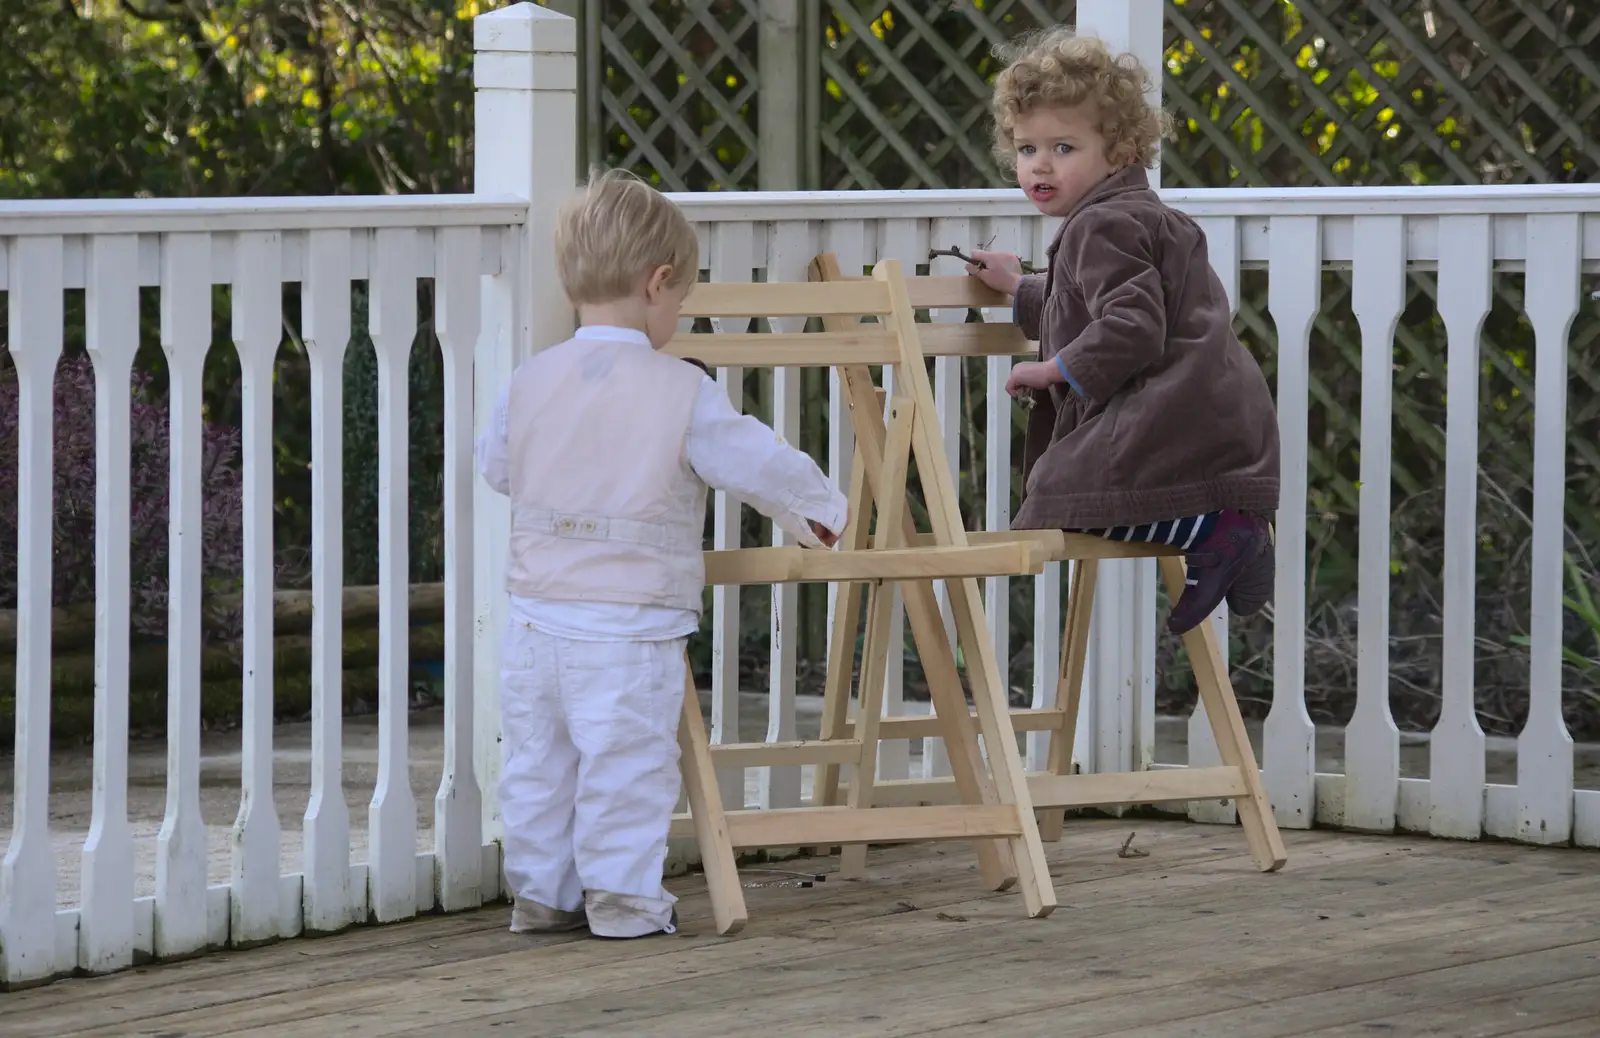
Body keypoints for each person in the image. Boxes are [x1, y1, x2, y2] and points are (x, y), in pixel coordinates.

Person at [476, 168, 848, 939]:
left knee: (539, 764)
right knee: (627, 765)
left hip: (535, 620)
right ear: (658, 282)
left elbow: (496, 466)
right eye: (682, 297)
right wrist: (817, 508)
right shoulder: (679, 389)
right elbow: (756, 460)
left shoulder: (531, 378)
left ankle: (540, 893)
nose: (679, 311)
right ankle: (622, 899)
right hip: (630, 626)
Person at [964, 27, 1280, 635]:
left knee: (1057, 493)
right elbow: (1089, 303)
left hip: (1167, 413)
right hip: (1210, 408)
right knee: (1065, 490)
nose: (1040, 165)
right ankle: (1220, 532)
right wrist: (1017, 286)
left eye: (1064, 146)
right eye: (1027, 149)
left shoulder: (1098, 226)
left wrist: (1050, 370)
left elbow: (1131, 326)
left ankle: (1221, 533)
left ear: (1122, 149)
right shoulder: (1145, 216)